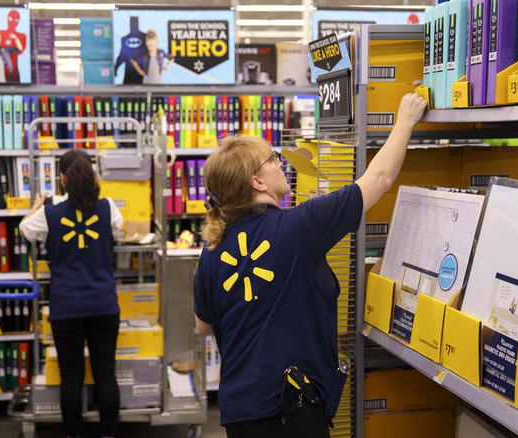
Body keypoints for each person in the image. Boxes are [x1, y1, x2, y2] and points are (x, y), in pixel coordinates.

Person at [193, 93, 427, 438]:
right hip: (291, 410)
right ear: (257, 182)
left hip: (239, 412)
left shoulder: (212, 250)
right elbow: (378, 181)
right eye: (272, 159)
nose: (280, 162)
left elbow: (204, 326)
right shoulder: (298, 227)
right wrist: (405, 120)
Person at [19, 149, 123, 438]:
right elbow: (121, 228)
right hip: (104, 303)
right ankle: (109, 434)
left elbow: (25, 230)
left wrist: (37, 204)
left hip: (66, 306)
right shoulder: (107, 206)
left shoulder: (49, 213)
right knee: (105, 372)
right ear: (91, 175)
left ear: (62, 178)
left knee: (71, 376)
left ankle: (72, 434)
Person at [114, 16, 146, 85]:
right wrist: (115, 69)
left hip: (143, 74)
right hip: (129, 74)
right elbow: (122, 57)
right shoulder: (124, 39)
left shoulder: (145, 37)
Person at [0, 10, 27, 82]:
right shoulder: (0, 33)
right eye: (11, 19)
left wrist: (16, 39)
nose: (13, 22)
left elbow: (20, 50)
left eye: (16, 20)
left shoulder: (22, 36)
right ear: (7, 19)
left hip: (13, 73)